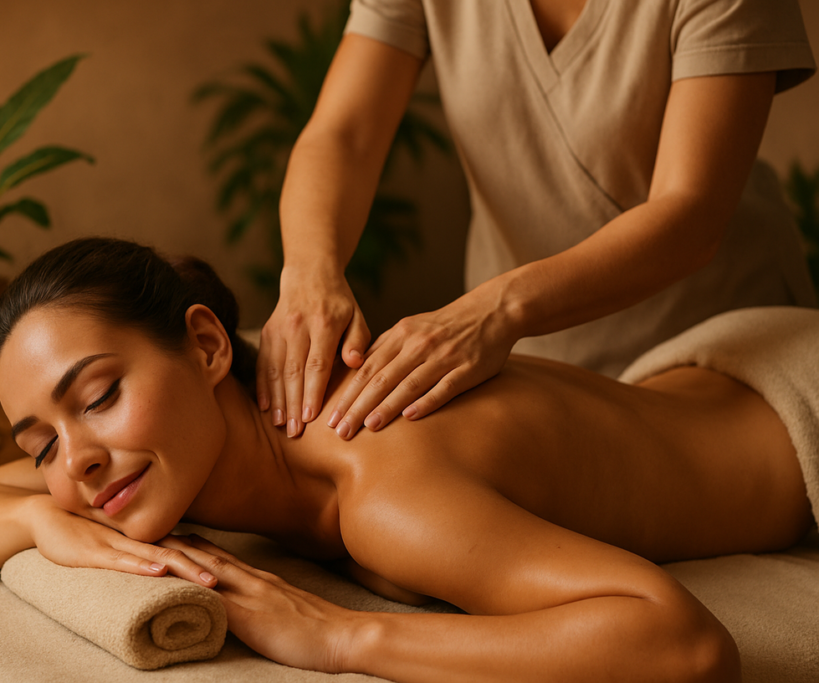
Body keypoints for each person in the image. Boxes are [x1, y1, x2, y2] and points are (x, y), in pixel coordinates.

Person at [0, 237, 818, 682]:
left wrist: (342, 635)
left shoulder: (379, 489)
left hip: (797, 411)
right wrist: (38, 516)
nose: (78, 463)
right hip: (700, 373)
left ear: (207, 345)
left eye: (99, 395)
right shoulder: (200, 435)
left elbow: (685, 643)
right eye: (41, 445)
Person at [259, 0, 818, 440]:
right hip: (526, 358)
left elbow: (689, 215)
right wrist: (310, 273)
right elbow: (345, 135)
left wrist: (500, 309)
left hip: (718, 351)